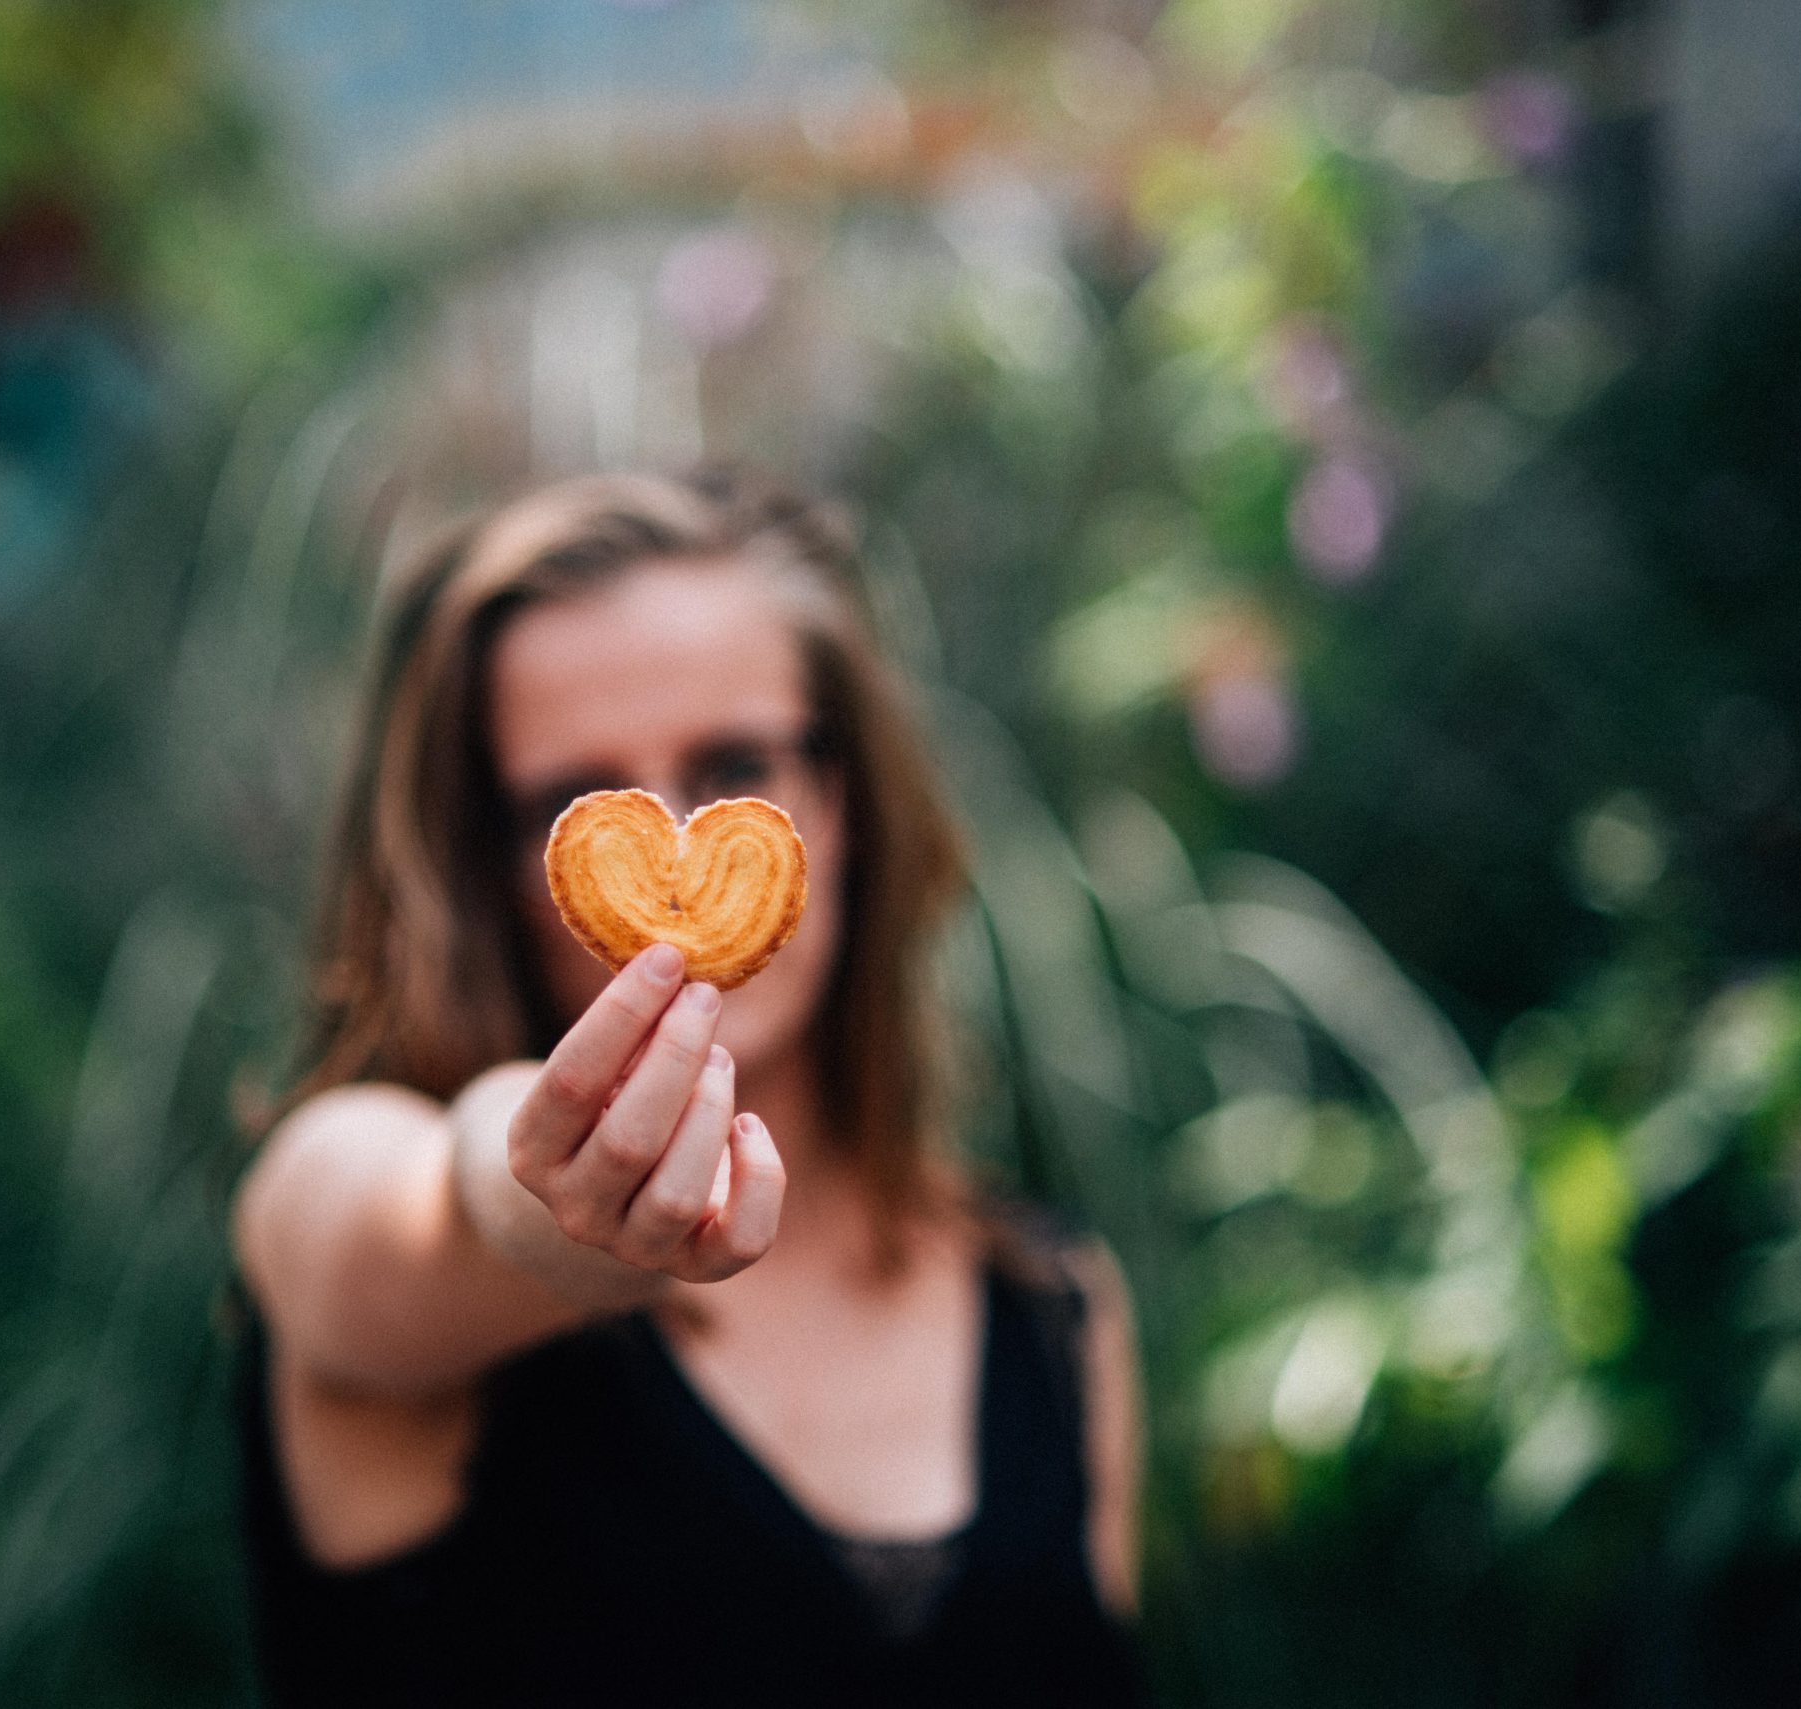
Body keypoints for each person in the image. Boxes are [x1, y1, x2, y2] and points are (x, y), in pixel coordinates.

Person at [231, 465, 1143, 1706]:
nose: (668, 833)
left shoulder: (1054, 1309)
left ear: (844, 799)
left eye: (734, 759)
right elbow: (416, 1216)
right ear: (487, 866)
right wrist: (555, 1202)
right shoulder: (344, 1207)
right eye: (572, 793)